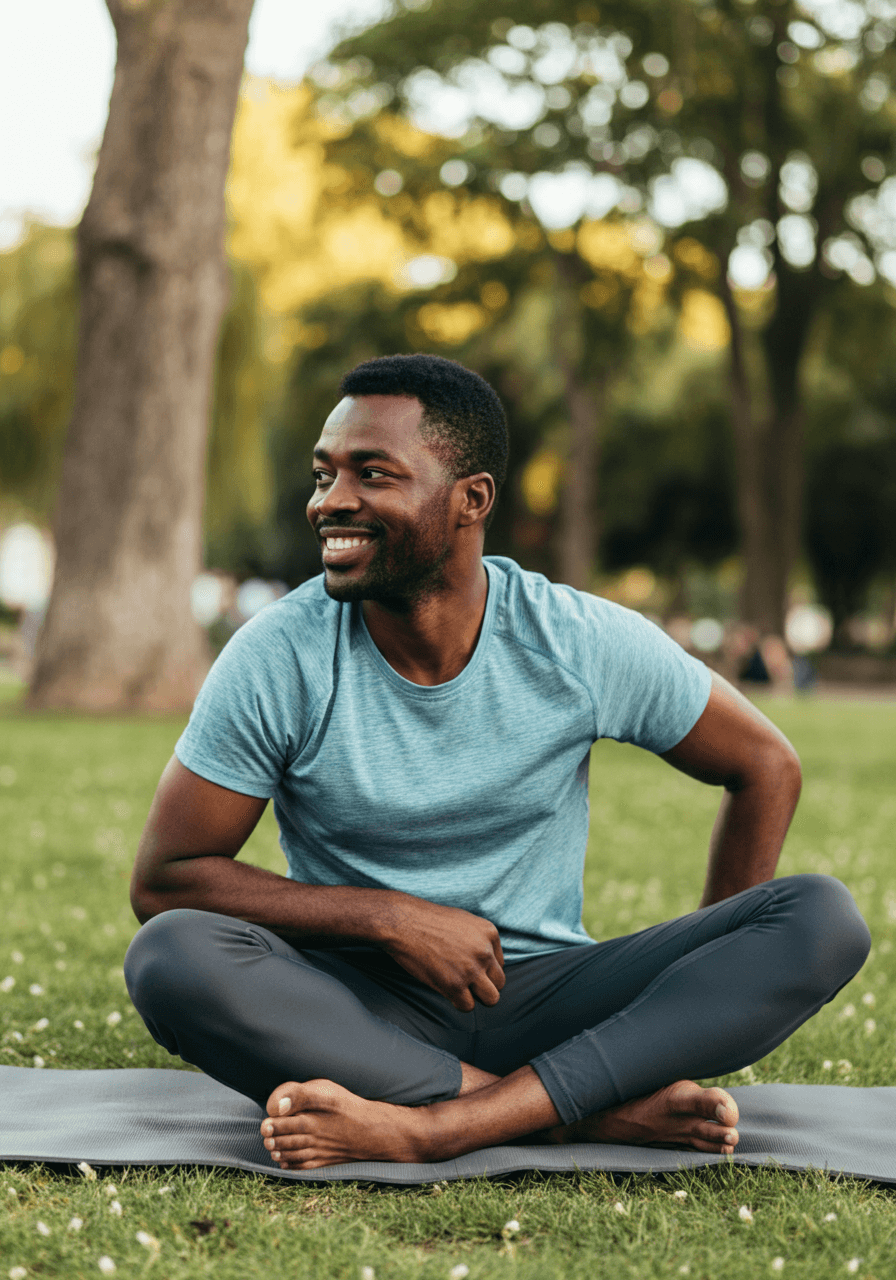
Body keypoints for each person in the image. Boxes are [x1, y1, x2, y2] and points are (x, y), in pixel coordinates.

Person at [125, 354, 870, 1171]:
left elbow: (766, 763)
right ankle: (574, 1111)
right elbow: (167, 878)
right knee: (172, 955)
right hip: (366, 1010)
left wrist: (692, 983)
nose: (330, 501)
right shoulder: (277, 654)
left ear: (471, 499)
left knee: (821, 918)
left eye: (372, 474)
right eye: (324, 473)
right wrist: (388, 917)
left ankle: (437, 1125)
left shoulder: (574, 639)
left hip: (554, 994)